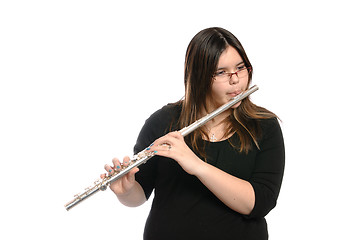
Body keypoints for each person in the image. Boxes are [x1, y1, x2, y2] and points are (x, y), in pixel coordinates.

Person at [102, 27, 285, 240]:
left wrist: (197, 165)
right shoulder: (163, 121)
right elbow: (138, 195)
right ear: (199, 76)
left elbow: (259, 203)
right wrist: (126, 191)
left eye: (240, 68)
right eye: (221, 72)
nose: (235, 80)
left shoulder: (264, 126)